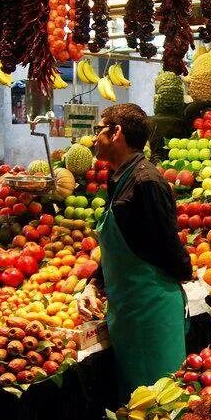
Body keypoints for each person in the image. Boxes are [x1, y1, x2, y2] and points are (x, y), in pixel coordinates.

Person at [77, 104, 189, 394]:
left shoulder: (146, 182)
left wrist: (184, 272)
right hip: (127, 311)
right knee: (135, 404)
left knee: (158, 401)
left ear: (117, 133)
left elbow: (167, 244)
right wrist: (94, 283)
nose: (93, 138)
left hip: (152, 310)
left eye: (98, 130)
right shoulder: (118, 178)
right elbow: (126, 242)